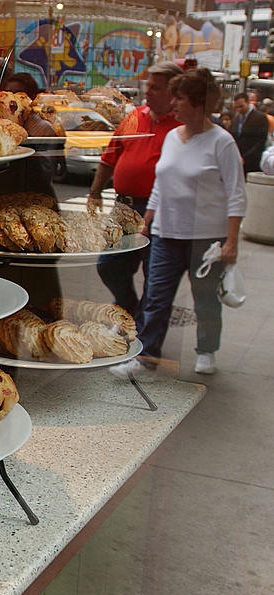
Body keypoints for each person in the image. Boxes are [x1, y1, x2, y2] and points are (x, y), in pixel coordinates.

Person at [110, 68, 246, 380]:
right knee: (156, 298)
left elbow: (237, 194)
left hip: (206, 239)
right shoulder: (173, 137)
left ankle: (206, 349)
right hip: (166, 234)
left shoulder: (221, 142)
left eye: (181, 99)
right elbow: (161, 183)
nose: (175, 104)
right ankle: (147, 357)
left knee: (206, 299)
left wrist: (232, 242)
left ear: (198, 104)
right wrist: (148, 220)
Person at [87, 61, 183, 321]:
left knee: (155, 274)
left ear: (173, 92)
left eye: (155, 87)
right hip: (124, 207)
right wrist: (95, 191)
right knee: (109, 265)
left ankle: (145, 328)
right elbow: (110, 156)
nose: (148, 91)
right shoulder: (135, 116)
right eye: (148, 85)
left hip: (161, 211)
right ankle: (129, 305)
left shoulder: (182, 125)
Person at [231, 91, 267, 174]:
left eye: (241, 106)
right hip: (237, 159)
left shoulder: (260, 117)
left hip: (252, 161)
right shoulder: (236, 119)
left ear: (248, 103)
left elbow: (260, 141)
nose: (239, 109)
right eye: (236, 107)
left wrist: (245, 157)